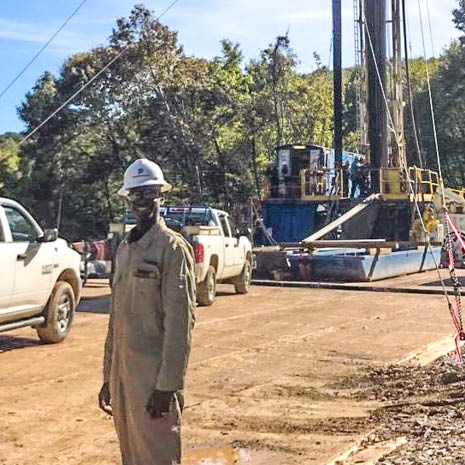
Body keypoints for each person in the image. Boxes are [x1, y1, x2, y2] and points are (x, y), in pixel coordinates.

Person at [99, 158, 196, 465]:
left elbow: (180, 324)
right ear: (127, 199)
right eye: (135, 194)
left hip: (153, 381)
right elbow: (117, 322)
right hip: (123, 379)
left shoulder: (172, 249)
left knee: (158, 456)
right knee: (131, 455)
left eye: (149, 193)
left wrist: (167, 386)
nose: (142, 201)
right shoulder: (126, 248)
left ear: (161, 196)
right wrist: (108, 377)